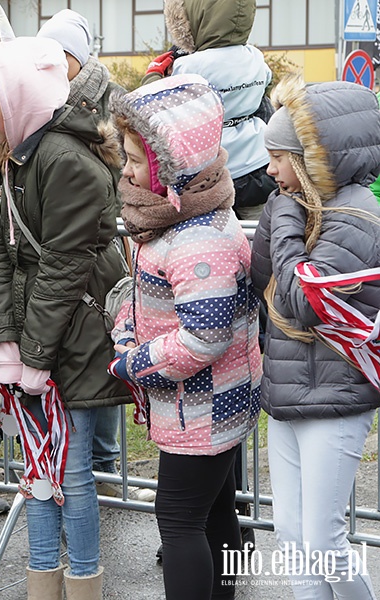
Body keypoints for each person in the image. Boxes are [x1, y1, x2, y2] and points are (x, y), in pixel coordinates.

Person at [0, 37, 130, 599]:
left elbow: (64, 267)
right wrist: (3, 342)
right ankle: (42, 581)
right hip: (34, 333)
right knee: (37, 472)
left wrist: (31, 355)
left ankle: (83, 581)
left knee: (72, 474)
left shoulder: (65, 159)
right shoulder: (2, 157)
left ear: (15, 101)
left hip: (77, 336)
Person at [108, 74, 262, 600]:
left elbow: (203, 338)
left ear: (174, 166)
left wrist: (136, 362)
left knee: (177, 520)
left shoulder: (198, 242)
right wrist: (127, 329)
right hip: (201, 405)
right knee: (211, 508)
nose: (125, 170)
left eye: (134, 159)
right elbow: (153, 302)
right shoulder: (179, 223)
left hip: (202, 408)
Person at [251, 75, 380, 598]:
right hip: (289, 393)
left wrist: (282, 218)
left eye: (279, 156)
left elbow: (303, 302)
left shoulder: (356, 218)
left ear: (311, 158)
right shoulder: (300, 209)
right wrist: (283, 216)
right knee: (293, 538)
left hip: (336, 396)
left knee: (323, 541)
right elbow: (263, 277)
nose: (269, 169)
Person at [35, 9, 154, 504]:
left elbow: (128, 166)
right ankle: (88, 469)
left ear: (75, 59)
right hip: (62, 243)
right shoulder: (40, 102)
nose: (45, 66)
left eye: (55, 56)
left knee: (103, 356)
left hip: (103, 244)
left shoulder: (109, 102)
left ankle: (105, 469)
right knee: (76, 362)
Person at [142, 0, 274, 223]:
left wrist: (153, 74)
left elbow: (159, 104)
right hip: (258, 164)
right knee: (258, 236)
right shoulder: (255, 58)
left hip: (211, 170)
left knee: (214, 236)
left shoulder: (189, 66)